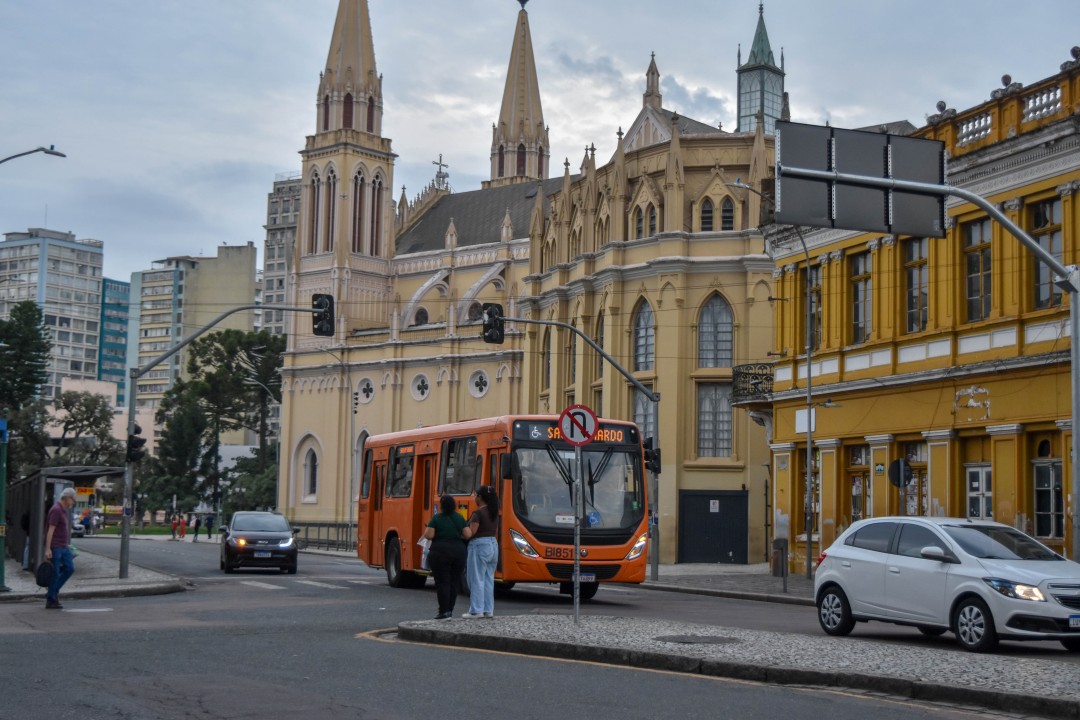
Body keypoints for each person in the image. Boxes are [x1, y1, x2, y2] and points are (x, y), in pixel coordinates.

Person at [422, 494, 470, 620]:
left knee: (443, 582)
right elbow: (468, 534)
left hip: (440, 552)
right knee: (454, 582)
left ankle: (443, 611)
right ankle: (450, 610)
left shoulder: (436, 518)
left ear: (442, 505)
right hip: (459, 552)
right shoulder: (459, 518)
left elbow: (429, 535)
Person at [463, 485, 499, 619]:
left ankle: (476, 610)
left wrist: (462, 529)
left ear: (480, 498)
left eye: (476, 496)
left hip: (479, 546)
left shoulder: (478, 514)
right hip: (493, 545)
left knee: (476, 579)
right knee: (489, 579)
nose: (474, 498)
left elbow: (471, 533)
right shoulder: (494, 512)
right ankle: (488, 610)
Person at [44, 487, 78, 609]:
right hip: (56, 547)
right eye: (73, 500)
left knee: (69, 568)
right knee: (55, 573)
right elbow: (50, 530)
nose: (73, 502)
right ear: (67, 498)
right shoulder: (56, 510)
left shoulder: (62, 510)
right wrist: (48, 548)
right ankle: (51, 599)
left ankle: (52, 592)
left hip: (63, 546)